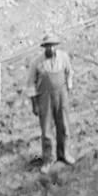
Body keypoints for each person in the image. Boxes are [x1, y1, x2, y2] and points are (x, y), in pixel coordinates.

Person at [27, 33, 75, 172]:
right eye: (48, 46)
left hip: (61, 95)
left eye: (52, 46)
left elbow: (69, 72)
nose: (50, 49)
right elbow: (30, 84)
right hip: (44, 98)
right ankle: (48, 159)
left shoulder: (63, 57)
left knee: (64, 126)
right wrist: (34, 104)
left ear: (56, 46)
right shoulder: (37, 62)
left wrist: (68, 88)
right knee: (46, 130)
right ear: (44, 47)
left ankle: (64, 153)